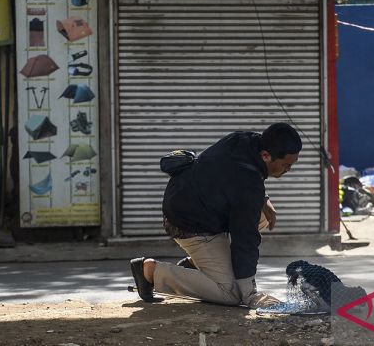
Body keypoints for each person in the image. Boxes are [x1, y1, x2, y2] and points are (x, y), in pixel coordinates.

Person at [129, 122, 302, 308]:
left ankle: (198, 266)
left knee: (263, 214)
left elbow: (231, 172)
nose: (288, 170)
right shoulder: (248, 187)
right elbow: (245, 238)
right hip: (188, 222)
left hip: (193, 200)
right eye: (286, 165)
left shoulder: (243, 139)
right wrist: (249, 293)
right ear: (266, 156)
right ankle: (149, 271)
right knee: (230, 293)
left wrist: (263, 198)